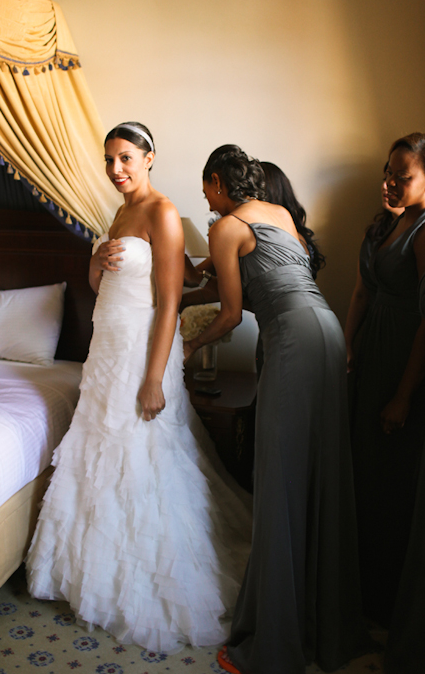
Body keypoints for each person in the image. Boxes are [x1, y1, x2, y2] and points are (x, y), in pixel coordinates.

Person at [25, 123, 252, 654]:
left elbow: (170, 301)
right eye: (109, 160)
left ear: (150, 157)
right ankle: (87, 572)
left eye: (125, 158)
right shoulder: (121, 213)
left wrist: (155, 377)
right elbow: (104, 284)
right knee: (101, 450)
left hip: (141, 352)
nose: (115, 170)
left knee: (142, 453)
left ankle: (148, 574)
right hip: (106, 349)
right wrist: (93, 263)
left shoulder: (163, 212)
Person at [182, 144, 369, 674]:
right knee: (321, 473)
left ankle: (273, 642)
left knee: (279, 480)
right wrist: (196, 282)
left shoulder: (225, 227)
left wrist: (191, 346)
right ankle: (323, 625)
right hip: (327, 330)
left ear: (217, 181)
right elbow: (263, 278)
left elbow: (233, 313)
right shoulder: (280, 213)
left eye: (207, 195)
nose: (209, 207)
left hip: (290, 338)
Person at [350, 132, 425, 629]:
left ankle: (386, 603)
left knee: (390, 483)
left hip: (403, 360)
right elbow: (360, 292)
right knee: (363, 473)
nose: (392, 182)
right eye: (389, 173)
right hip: (370, 355)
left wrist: (402, 396)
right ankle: (361, 594)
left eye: (404, 176)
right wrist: (346, 347)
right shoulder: (384, 225)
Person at [344, 169, 404, 374]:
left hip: (405, 332)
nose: (387, 184)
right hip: (372, 330)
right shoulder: (374, 234)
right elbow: (361, 293)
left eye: (399, 178)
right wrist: (347, 342)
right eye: (386, 176)